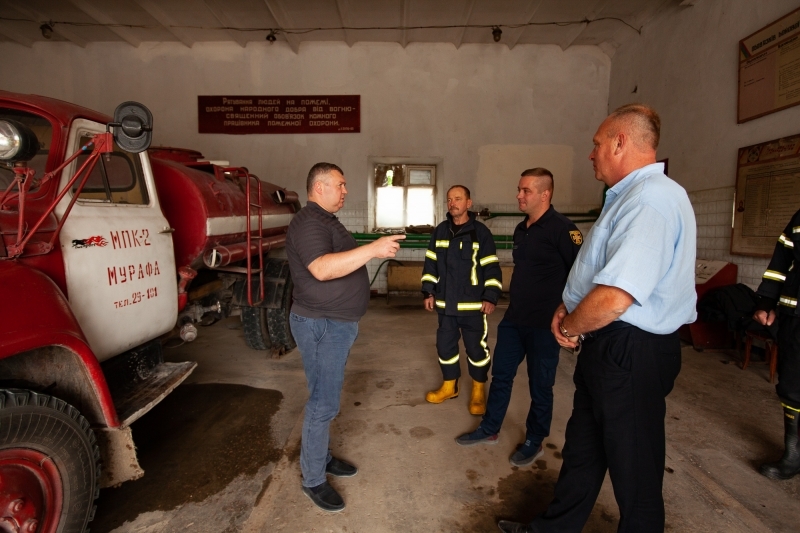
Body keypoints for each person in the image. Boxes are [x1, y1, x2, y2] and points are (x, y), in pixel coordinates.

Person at [498, 104, 696, 533]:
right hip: (608, 348)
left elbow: (615, 296)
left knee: (635, 474)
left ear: (621, 142)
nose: (592, 154)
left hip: (631, 352)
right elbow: (596, 274)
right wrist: (567, 304)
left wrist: (569, 325)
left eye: (597, 144)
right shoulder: (627, 196)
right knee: (583, 454)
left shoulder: (652, 201)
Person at [286, 162, 405, 512]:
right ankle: (312, 478)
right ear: (319, 187)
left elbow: (337, 261)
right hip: (322, 324)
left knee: (322, 395)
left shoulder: (325, 220)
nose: (345, 190)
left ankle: (320, 457)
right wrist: (373, 249)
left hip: (333, 323)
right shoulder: (309, 222)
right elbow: (321, 269)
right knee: (323, 404)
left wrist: (370, 248)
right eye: (340, 184)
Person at [455, 168, 582, 468]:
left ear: (545, 194)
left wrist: (571, 319)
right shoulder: (521, 229)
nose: (519, 195)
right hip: (514, 319)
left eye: (525, 190)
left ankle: (534, 440)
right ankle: (490, 428)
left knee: (541, 384)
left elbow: (580, 276)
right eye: (519, 189)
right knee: (501, 376)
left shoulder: (564, 230)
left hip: (545, 324)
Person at [421, 185, 502, 414]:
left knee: (476, 350)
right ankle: (450, 385)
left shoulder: (480, 233)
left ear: (468, 203)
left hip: (473, 307)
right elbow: (430, 264)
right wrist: (428, 291)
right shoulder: (440, 231)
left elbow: (491, 268)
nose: (452, 203)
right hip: (446, 306)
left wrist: (490, 296)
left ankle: (478, 389)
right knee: (445, 347)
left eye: (458, 198)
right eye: (449, 199)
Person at [753, 207, 800, 480]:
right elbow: (779, 264)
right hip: (795, 318)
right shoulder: (798, 219)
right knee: (792, 386)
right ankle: (793, 455)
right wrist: (766, 301)